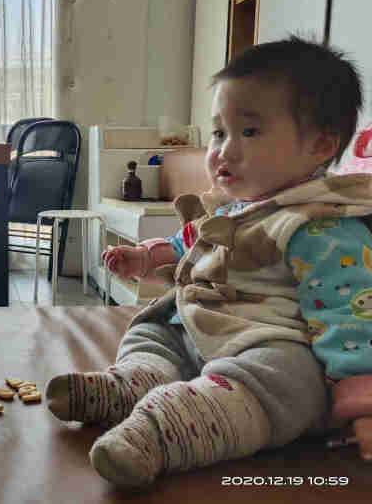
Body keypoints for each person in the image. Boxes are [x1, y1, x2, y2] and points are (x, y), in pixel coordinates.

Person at [45, 35, 372, 488]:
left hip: (266, 347)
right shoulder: (229, 208)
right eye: (219, 132)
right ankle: (137, 381)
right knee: (153, 326)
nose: (224, 149)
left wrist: (360, 401)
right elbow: (186, 243)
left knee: (291, 379)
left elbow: (351, 315)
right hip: (198, 329)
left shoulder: (319, 226)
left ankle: (171, 428)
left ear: (319, 146)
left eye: (250, 131)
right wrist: (145, 256)